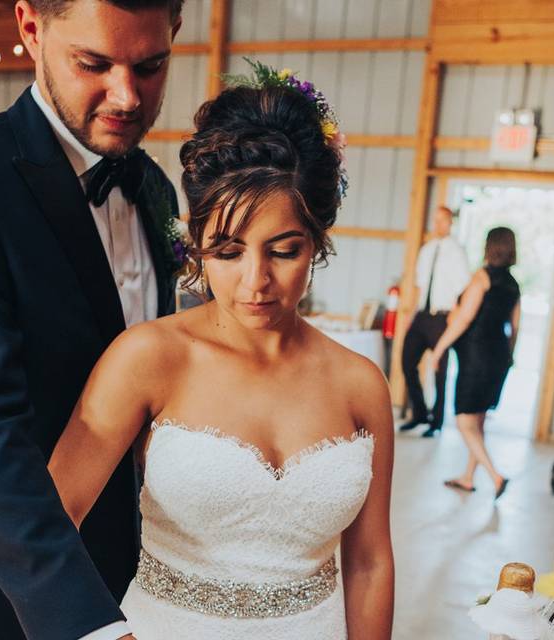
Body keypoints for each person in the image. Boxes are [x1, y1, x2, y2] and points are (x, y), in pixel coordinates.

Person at [48, 72, 395, 639]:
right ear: (197, 244)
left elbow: (369, 561)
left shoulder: (361, 385)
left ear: (318, 242)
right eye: (228, 252)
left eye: (284, 251)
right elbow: (51, 521)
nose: (255, 281)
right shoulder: (150, 357)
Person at [0, 1, 183, 638]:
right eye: (93, 64)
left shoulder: (158, 190)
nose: (127, 96)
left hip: (133, 575)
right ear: (30, 28)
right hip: (3, 591)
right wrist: (87, 621)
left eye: (151, 65)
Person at [427, 227, 519, 499]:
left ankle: (496, 476)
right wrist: (509, 356)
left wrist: (438, 349)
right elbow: (515, 328)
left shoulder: (482, 277)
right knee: (477, 422)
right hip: (499, 357)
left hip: (476, 356)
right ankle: (468, 477)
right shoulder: (514, 284)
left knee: (465, 423)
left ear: (489, 247)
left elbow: (464, 319)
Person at [399, 205, 470, 437]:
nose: (439, 225)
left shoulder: (457, 252)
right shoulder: (427, 249)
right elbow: (420, 285)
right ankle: (419, 413)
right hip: (422, 314)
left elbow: (464, 288)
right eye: (436, 220)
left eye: (443, 221)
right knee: (407, 361)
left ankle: (436, 423)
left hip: (443, 316)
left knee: (440, 371)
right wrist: (412, 314)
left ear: (450, 223)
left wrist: (455, 313)